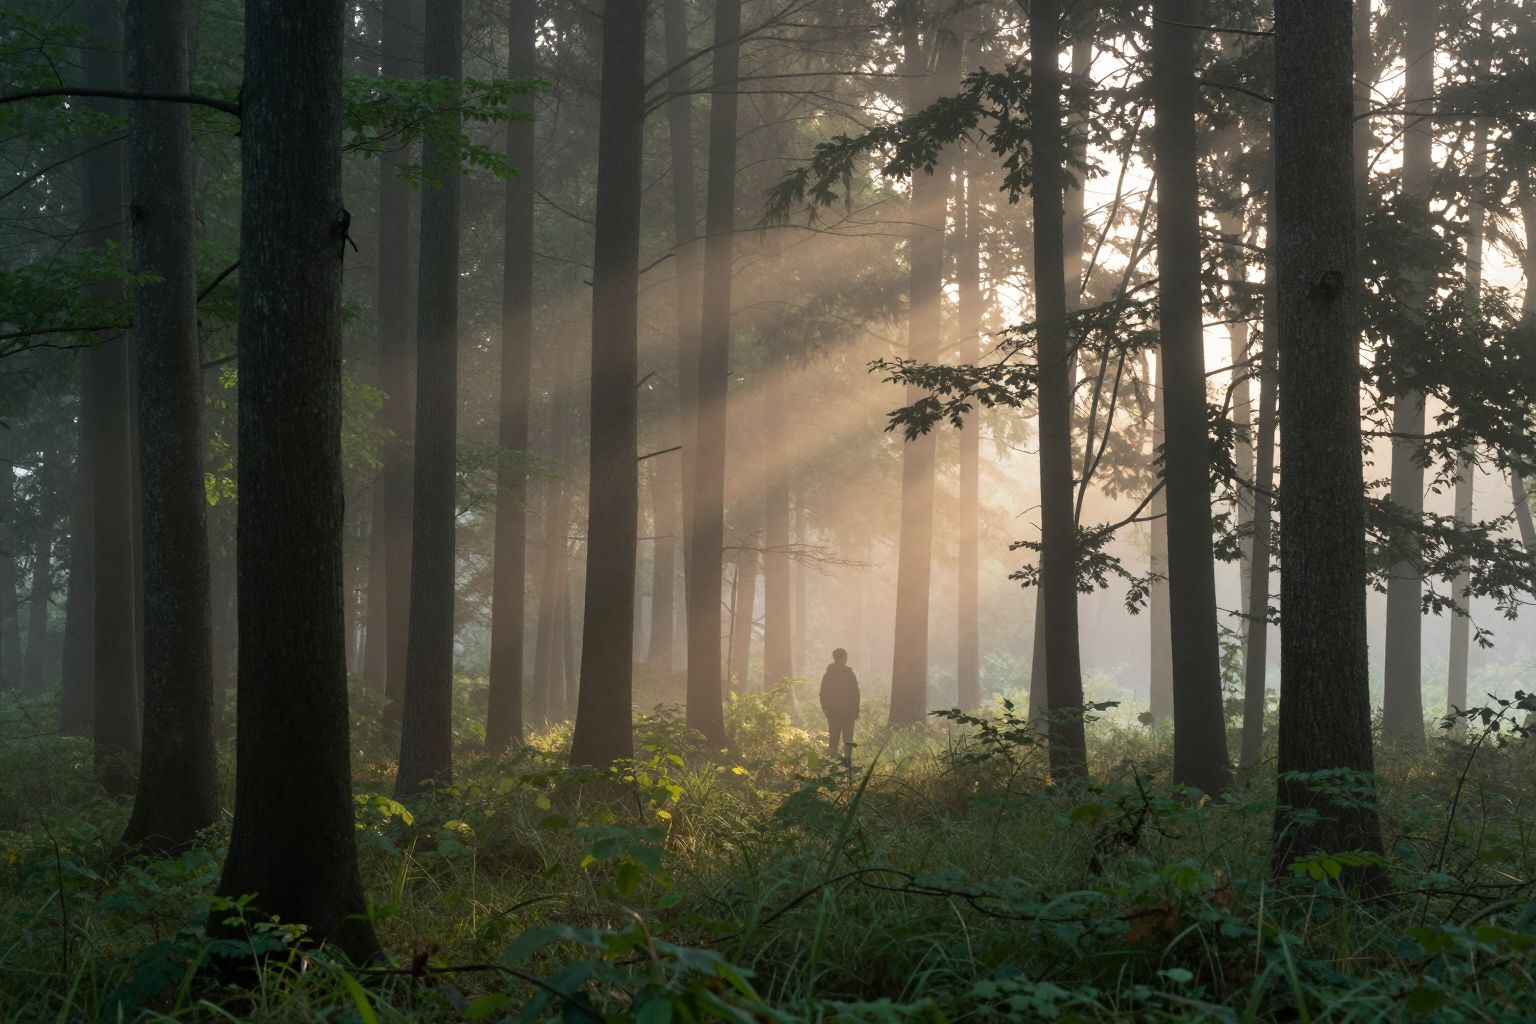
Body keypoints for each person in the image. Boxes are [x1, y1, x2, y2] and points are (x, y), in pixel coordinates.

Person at [819, 648, 860, 758]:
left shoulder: (828, 674)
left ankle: (832, 763)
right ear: (843, 658)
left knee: (834, 738)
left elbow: (823, 694)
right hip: (848, 713)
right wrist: (856, 710)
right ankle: (847, 763)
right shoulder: (849, 674)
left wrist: (826, 709)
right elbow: (855, 694)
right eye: (845, 657)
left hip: (834, 713)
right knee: (848, 739)